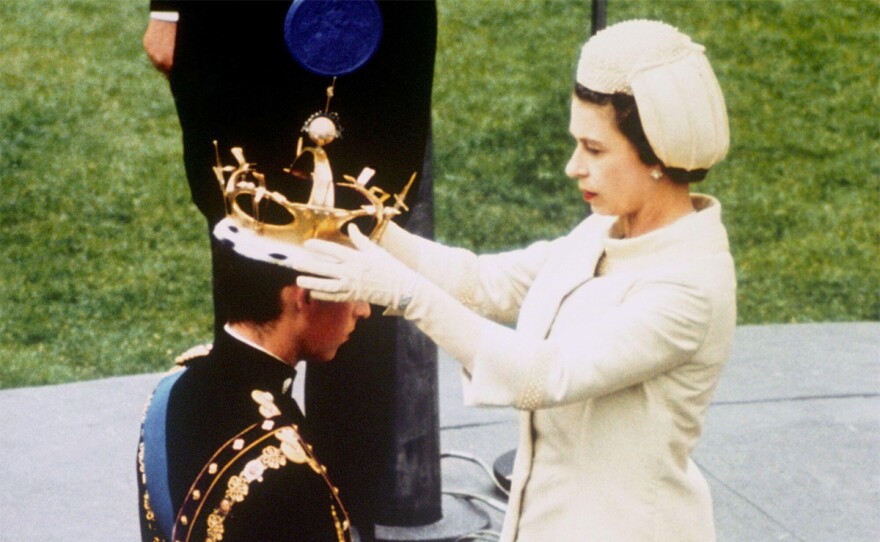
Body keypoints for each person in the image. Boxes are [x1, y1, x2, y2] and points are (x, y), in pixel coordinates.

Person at [291, 19, 737, 541]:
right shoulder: (602, 230)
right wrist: (369, 226)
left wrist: (402, 292)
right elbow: (482, 282)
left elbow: (544, 376)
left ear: (658, 155)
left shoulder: (691, 287)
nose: (574, 167)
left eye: (595, 150)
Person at [143, 2, 437, 536]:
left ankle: (345, 518)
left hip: (377, 27)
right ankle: (221, 498)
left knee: (360, 249)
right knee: (250, 244)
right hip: (244, 30)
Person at [136, 231, 371, 541]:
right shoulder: (289, 480)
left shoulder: (175, 382)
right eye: (352, 290)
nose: (364, 309)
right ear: (305, 297)